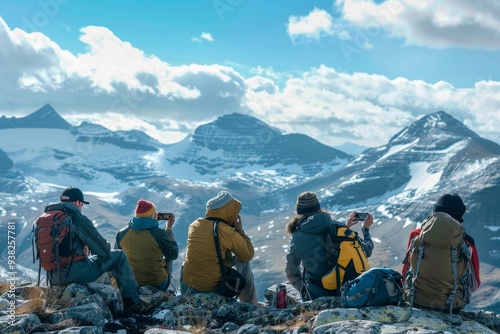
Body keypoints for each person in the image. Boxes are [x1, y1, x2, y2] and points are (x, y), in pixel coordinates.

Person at [44, 187, 153, 314]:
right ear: (78, 203)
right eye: (81, 204)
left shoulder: (49, 218)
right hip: (75, 273)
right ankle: (133, 303)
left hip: (52, 276)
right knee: (119, 255)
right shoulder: (77, 219)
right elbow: (103, 250)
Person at [285, 191, 374, 301]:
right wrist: (365, 229)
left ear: (299, 211)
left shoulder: (296, 237)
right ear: (318, 207)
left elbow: (291, 271)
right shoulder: (339, 227)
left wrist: (303, 290)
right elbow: (367, 250)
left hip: (316, 296)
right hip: (349, 292)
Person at [180, 190, 258, 304]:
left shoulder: (195, 224)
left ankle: (185, 299)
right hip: (211, 289)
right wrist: (240, 230)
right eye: (236, 211)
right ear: (228, 210)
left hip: (188, 287)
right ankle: (251, 305)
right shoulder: (226, 231)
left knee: (187, 261)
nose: (237, 215)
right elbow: (248, 254)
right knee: (243, 261)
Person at [401, 193, 480, 287]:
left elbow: (405, 272)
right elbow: (475, 283)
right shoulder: (467, 242)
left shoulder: (416, 235)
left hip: (416, 297)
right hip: (452, 300)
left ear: (435, 213)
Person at [115, 200, 179, 291]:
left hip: (131, 282)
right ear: (153, 216)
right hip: (157, 284)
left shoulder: (121, 233)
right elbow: (173, 255)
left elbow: (117, 260)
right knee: (169, 256)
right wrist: (168, 229)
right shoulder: (159, 234)